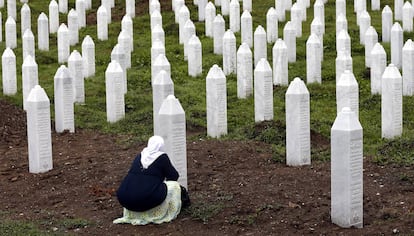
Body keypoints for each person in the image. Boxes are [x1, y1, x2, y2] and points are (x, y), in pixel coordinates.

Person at [113, 135, 182, 225]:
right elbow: (174, 176)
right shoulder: (162, 157)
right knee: (174, 186)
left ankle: (134, 214)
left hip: (125, 199)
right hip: (146, 199)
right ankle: (161, 213)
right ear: (161, 146)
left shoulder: (140, 156)